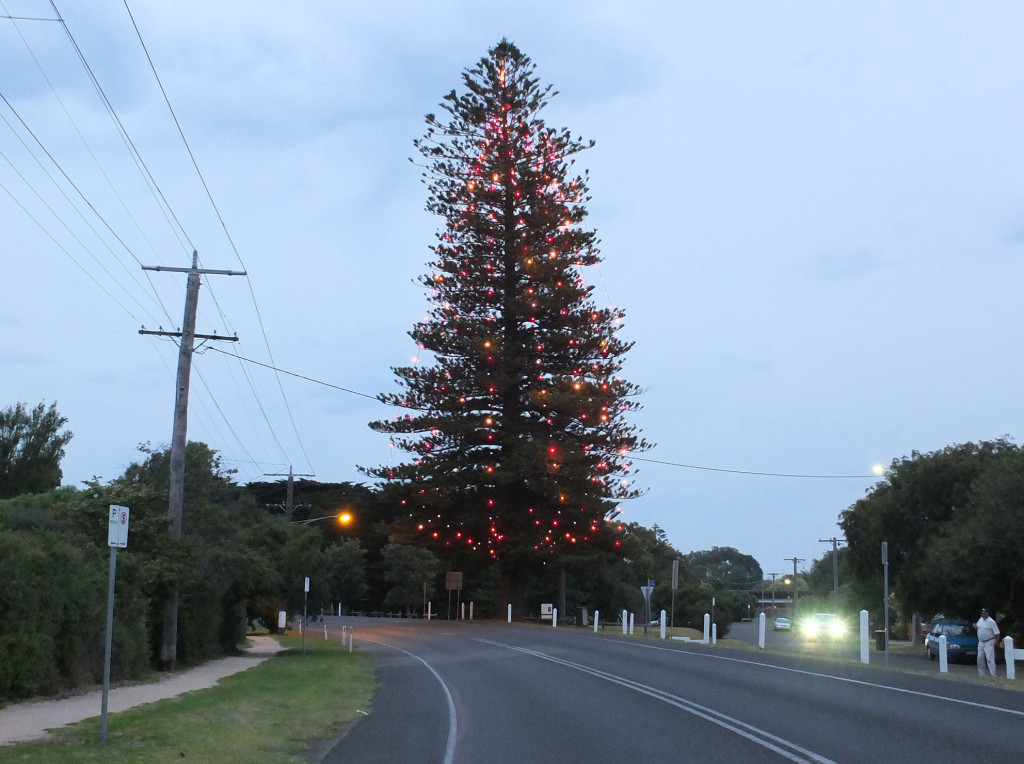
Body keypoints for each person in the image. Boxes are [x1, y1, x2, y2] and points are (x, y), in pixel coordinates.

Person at [974, 607, 1000, 676]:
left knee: (989, 658)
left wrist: (996, 641)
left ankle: (993, 674)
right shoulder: (980, 620)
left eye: (984, 613)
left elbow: (997, 633)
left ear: (987, 613)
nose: (982, 614)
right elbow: (979, 628)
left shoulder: (991, 622)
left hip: (989, 641)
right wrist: (976, 627)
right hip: (981, 642)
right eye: (981, 613)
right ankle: (981, 674)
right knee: (980, 657)